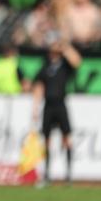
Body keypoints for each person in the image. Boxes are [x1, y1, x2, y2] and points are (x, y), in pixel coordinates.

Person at [32, 39, 82, 185]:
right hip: (48, 106)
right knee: (46, 140)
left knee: (67, 138)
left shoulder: (65, 65)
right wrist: (35, 108)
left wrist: (65, 46)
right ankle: (47, 175)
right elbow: (39, 87)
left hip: (61, 105)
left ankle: (68, 175)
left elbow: (77, 61)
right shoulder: (45, 66)